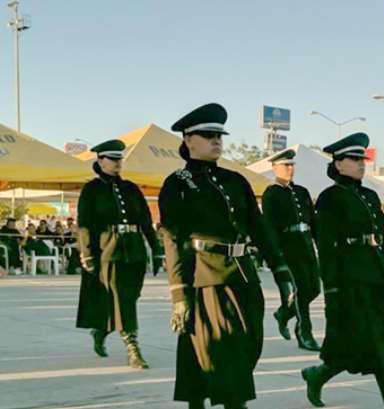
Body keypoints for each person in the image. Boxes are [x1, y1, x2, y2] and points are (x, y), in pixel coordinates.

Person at [160, 103, 294, 409]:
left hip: (242, 276)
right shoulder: (177, 184)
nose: (217, 141)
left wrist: (282, 271)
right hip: (205, 279)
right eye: (208, 135)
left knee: (248, 347)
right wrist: (179, 295)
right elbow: (173, 241)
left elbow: (260, 228)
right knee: (220, 353)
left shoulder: (236, 180)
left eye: (219, 135)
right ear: (188, 139)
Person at [301, 132, 384, 409]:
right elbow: (326, 248)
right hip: (348, 281)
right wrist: (331, 289)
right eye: (354, 159)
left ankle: (319, 375)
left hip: (373, 277)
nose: (361, 164)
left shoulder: (370, 196)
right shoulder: (329, 198)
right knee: (361, 342)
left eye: (363, 159)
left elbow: (383, 238)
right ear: (338, 164)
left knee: (375, 341)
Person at [75, 139, 158, 369]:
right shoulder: (91, 189)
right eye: (112, 159)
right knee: (122, 298)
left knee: (130, 297)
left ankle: (102, 330)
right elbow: (84, 224)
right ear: (100, 161)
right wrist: (87, 253)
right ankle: (132, 347)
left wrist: (156, 249)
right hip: (108, 250)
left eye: (119, 159)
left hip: (134, 249)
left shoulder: (131, 188)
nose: (117, 163)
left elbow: (145, 220)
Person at [262, 149, 322, 352]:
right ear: (274, 168)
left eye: (292, 165)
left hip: (305, 245)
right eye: (285, 165)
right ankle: (304, 333)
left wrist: (319, 245)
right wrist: (276, 255)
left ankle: (284, 313)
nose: (290, 169)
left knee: (314, 288)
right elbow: (269, 226)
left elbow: (313, 221)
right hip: (287, 248)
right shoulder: (272, 193)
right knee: (299, 291)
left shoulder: (302, 192)